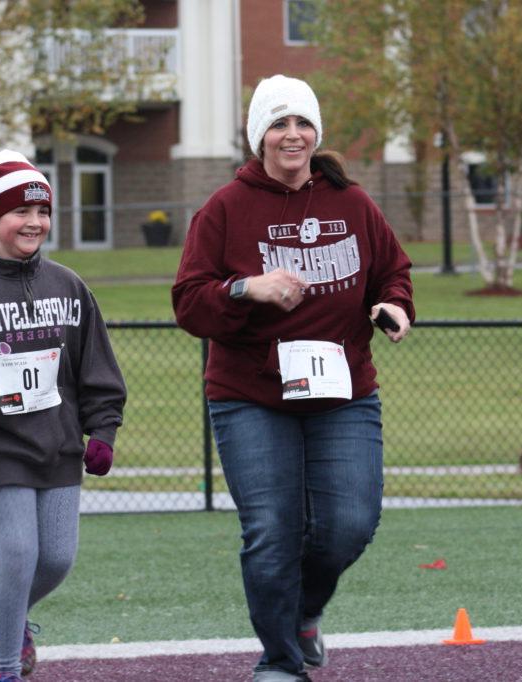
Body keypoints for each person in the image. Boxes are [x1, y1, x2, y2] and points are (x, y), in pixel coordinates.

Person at [172, 74, 414, 682]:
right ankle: (280, 660)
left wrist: (395, 305)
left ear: (316, 134)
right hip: (251, 396)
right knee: (272, 531)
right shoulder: (225, 209)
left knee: (350, 524)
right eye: (279, 124)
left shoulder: (352, 203)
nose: (293, 135)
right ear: (260, 136)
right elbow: (189, 303)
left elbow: (392, 270)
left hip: (343, 392)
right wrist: (244, 288)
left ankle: (304, 614)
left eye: (302, 123)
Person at [0, 149, 127, 682]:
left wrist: (101, 430)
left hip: (56, 448)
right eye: (20, 213)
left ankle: (15, 622)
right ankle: (4, 668)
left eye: (42, 212)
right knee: (15, 554)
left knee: (54, 560)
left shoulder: (68, 286)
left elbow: (97, 367)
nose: (34, 222)